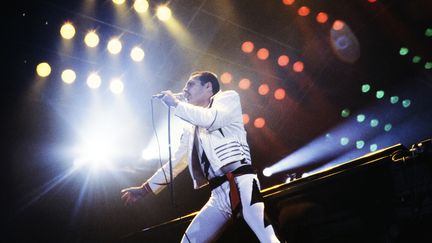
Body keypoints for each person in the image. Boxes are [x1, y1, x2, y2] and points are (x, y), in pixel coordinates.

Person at [121, 71, 281, 243]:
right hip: (217, 194)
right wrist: (145, 189)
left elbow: (210, 119)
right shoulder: (191, 125)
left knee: (268, 239)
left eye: (190, 84)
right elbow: (177, 161)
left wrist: (176, 104)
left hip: (241, 182)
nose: (185, 89)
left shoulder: (228, 99)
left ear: (208, 86)